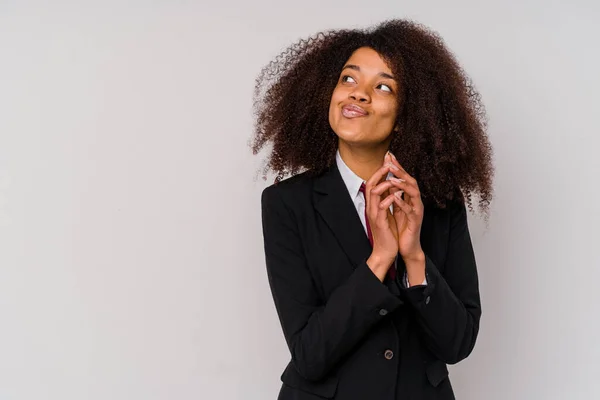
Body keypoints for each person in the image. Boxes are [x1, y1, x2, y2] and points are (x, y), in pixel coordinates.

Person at [251, 19, 494, 400]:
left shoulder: (441, 203)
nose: (359, 94)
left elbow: (457, 344)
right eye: (349, 79)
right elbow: (309, 354)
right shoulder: (286, 203)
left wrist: (413, 256)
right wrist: (380, 258)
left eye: (382, 87)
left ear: (406, 117)